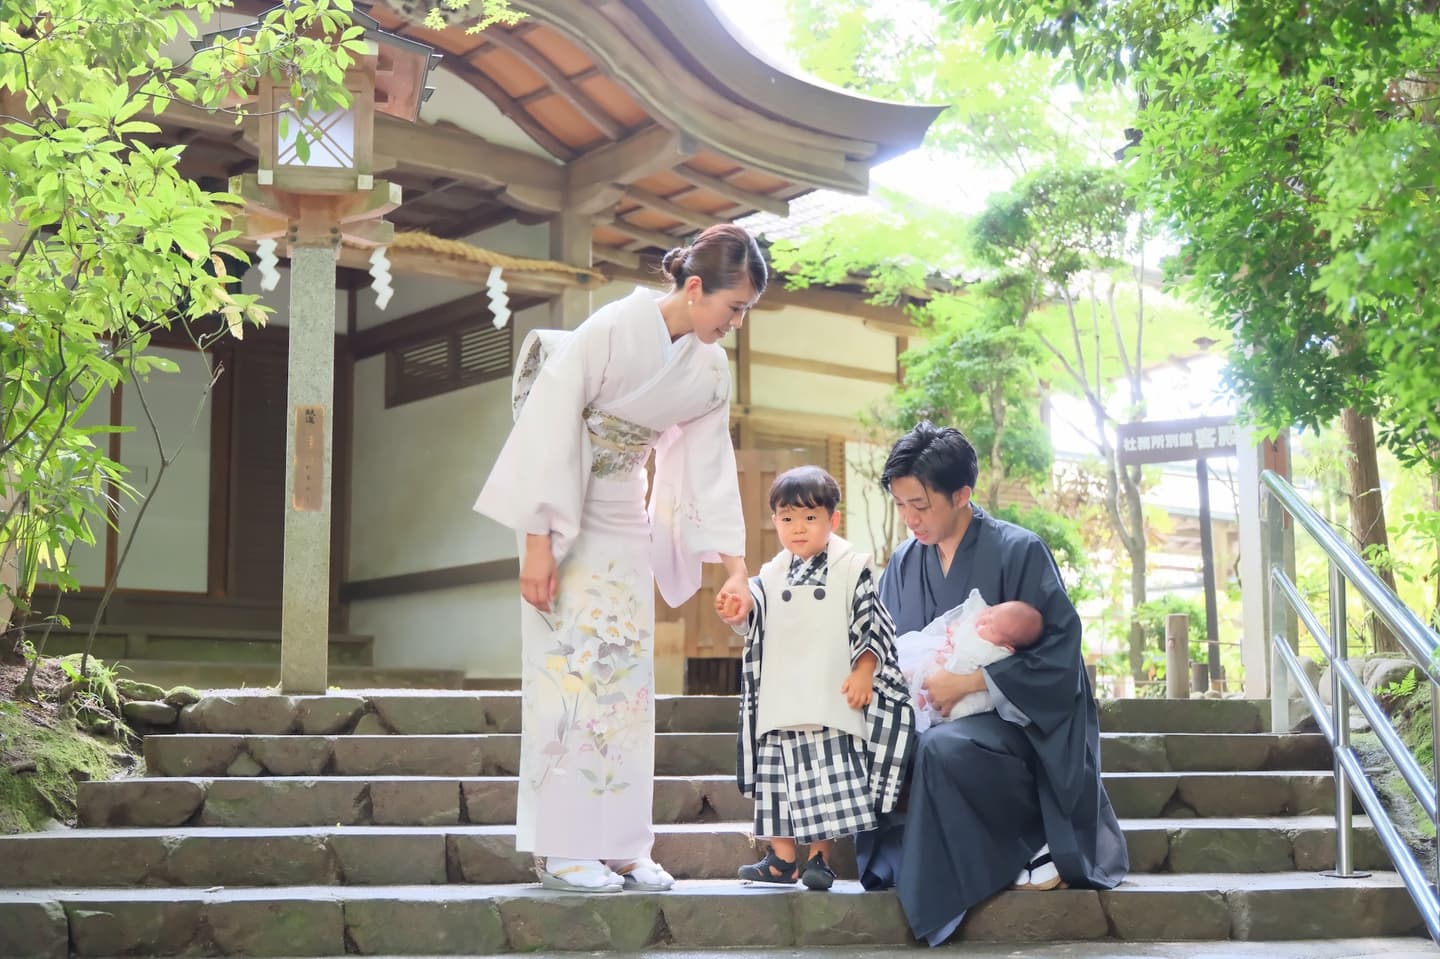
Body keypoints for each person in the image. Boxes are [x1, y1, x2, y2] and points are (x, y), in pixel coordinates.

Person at [473, 224, 766, 894]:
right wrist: (538, 544)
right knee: (566, 682)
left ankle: (623, 843)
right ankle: (561, 845)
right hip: (571, 518)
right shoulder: (613, 327)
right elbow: (547, 426)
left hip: (628, 518)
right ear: (695, 288)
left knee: (627, 689)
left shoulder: (709, 369)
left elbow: (708, 464)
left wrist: (735, 565)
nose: (737, 323)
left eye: (745, 312)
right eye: (734, 307)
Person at [856, 422, 1128, 944]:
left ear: (962, 494)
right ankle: (913, 858)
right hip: (925, 711)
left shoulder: (1019, 551)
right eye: (902, 506)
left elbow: (1059, 659)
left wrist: (970, 681)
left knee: (940, 749)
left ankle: (1023, 841)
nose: (910, 519)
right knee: (883, 737)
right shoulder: (905, 563)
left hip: (1012, 726)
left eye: (921, 505)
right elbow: (882, 644)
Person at [728, 466, 914, 891]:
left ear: (833, 520)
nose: (798, 528)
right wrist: (737, 608)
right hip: (780, 697)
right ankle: (780, 859)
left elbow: (874, 623)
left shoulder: (852, 567)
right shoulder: (772, 573)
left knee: (823, 783)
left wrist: (865, 669)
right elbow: (752, 616)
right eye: (787, 518)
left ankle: (818, 859)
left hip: (829, 694)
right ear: (774, 520)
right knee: (776, 782)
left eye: (810, 518)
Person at [906, 599, 1044, 725]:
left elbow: (965, 653)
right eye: (991, 611)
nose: (983, 620)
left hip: (963, 696)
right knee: (916, 665)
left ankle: (919, 704)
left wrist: (954, 639)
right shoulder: (980, 626)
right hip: (944, 667)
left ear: (1007, 647)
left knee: (924, 686)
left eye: (991, 628)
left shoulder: (991, 650)